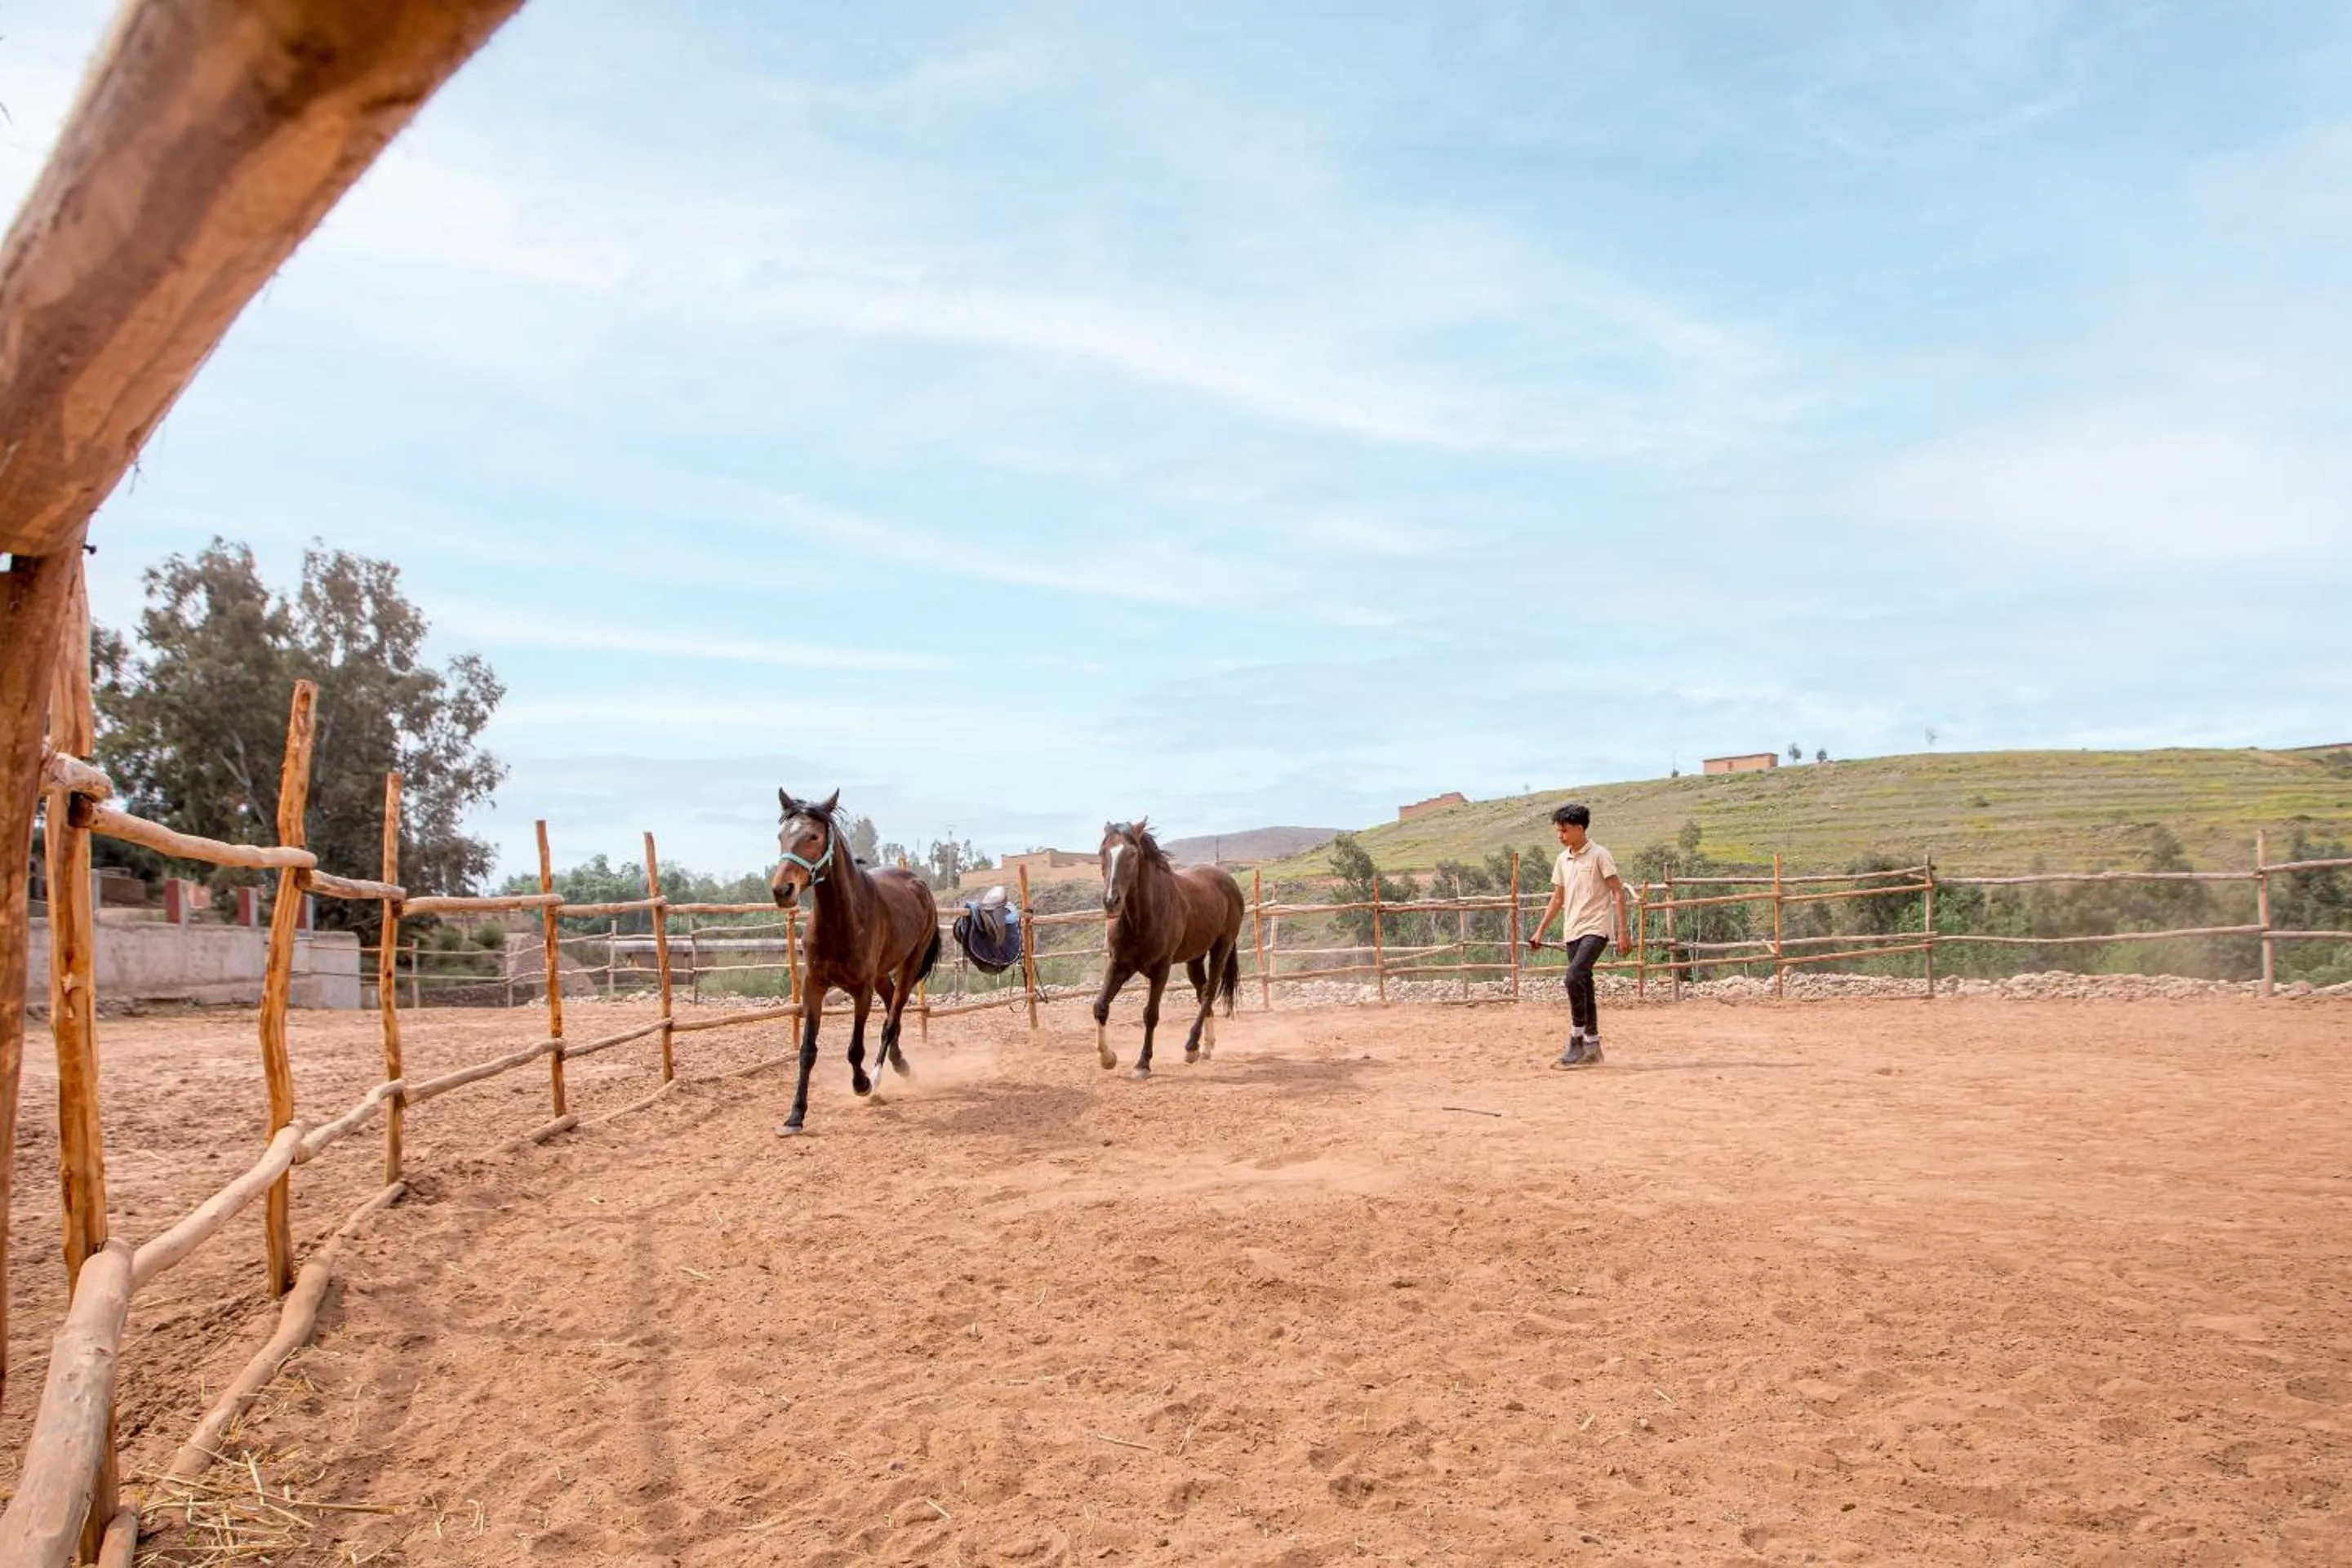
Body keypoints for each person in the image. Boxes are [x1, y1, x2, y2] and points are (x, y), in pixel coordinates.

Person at [1527, 802, 1631, 1067]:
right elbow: (1557, 898)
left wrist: (1623, 931)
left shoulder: (1599, 855)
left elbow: (1618, 892)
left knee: (1573, 978)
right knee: (1584, 983)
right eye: (1558, 831)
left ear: (1579, 828)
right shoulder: (1563, 860)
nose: (1559, 836)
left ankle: (1576, 1040)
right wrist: (1540, 930)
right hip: (1571, 929)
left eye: (1563, 831)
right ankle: (1593, 1046)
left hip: (1596, 928)